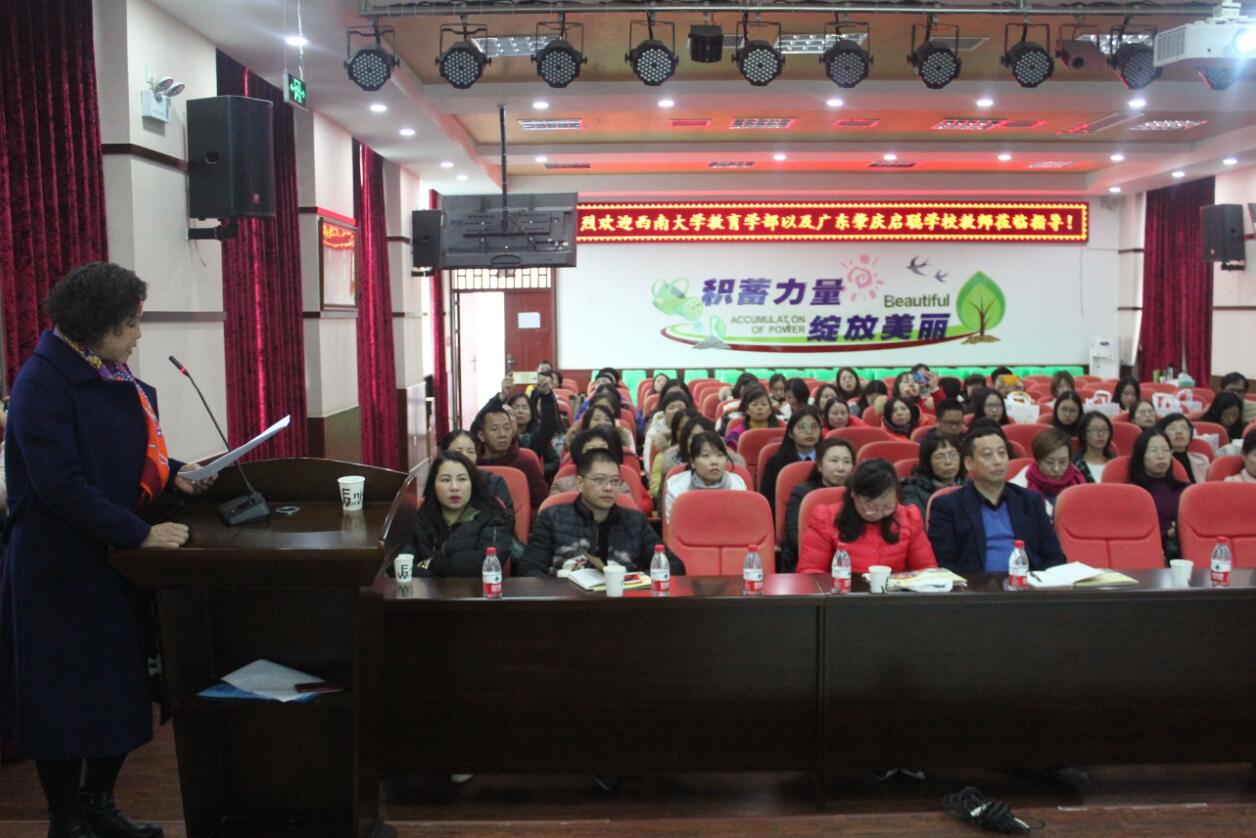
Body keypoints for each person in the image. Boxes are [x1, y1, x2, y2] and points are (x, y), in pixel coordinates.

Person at [1, 262, 218, 838]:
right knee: (62, 702)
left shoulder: (104, 370)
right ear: (99, 324)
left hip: (109, 562)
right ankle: (66, 818)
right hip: (59, 571)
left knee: (116, 695)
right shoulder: (43, 383)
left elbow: (118, 456)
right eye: (131, 324)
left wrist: (174, 473)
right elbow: (61, 485)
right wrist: (138, 533)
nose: (138, 335)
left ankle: (100, 804)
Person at [520, 449, 685, 578]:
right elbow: (528, 570)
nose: (608, 488)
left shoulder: (635, 521)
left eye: (614, 481)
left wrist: (633, 580)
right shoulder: (551, 517)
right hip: (566, 604)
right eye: (600, 480)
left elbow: (674, 566)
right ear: (580, 483)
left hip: (622, 603)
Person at [927, 426, 1067, 573]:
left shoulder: (1030, 501)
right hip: (974, 585)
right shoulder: (947, 506)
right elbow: (944, 563)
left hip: (1028, 583)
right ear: (969, 463)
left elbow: (1054, 556)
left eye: (1002, 453)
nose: (998, 461)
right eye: (988, 455)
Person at [797, 460, 938, 575]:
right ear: (854, 494)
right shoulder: (826, 518)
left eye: (888, 506)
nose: (879, 513)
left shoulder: (909, 517)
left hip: (892, 596)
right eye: (871, 507)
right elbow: (810, 572)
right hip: (842, 595)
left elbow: (927, 571)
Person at [404, 452, 514, 577]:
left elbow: (488, 560)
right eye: (446, 480)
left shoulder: (492, 514)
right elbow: (401, 562)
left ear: (472, 483)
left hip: (477, 588)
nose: (454, 487)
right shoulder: (421, 516)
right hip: (426, 588)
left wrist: (431, 564)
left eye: (462, 479)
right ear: (433, 485)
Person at [780, 438, 855, 573]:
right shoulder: (803, 493)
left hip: (850, 561)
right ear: (819, 465)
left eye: (847, 462)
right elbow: (794, 534)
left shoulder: (857, 495)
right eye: (834, 461)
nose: (841, 468)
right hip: (808, 559)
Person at [1128, 428, 1186, 558]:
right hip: (1144, 552)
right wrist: (1167, 533)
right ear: (1141, 455)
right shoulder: (1133, 493)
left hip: (1184, 552)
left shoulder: (1185, 490)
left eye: (1166, 450)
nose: (1161, 456)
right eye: (1154, 450)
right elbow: (1130, 531)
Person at [664, 431, 747, 521]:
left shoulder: (737, 486)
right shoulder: (677, 490)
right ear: (693, 462)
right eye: (706, 456)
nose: (714, 462)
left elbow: (742, 523)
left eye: (720, 455)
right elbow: (676, 526)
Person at [476, 405, 548, 509]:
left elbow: (542, 506)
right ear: (481, 436)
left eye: (507, 428)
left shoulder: (526, 463)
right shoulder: (473, 463)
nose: (503, 434)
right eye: (494, 429)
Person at [758, 407, 823, 514]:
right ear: (791, 434)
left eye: (814, 427)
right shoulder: (776, 463)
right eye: (802, 427)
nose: (809, 432)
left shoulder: (828, 459)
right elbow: (768, 501)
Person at [439, 429, 515, 522]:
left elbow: (506, 520)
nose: (465, 456)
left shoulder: (494, 482)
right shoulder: (438, 481)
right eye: (458, 452)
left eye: (470, 452)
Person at [1009, 427, 1086, 518]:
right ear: (1037, 460)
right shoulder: (1019, 488)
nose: (1056, 469)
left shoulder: (1078, 479)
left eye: (1063, 462)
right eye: (1049, 462)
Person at [549, 426, 634, 500]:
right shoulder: (561, 487)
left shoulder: (620, 487)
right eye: (592, 450)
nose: (598, 454)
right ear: (578, 454)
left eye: (603, 449)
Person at [901, 431, 964, 515]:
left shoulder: (970, 484)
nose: (948, 462)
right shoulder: (913, 490)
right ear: (928, 462)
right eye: (940, 457)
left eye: (953, 454)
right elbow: (916, 520)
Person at [642, 390, 693, 475]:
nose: (676, 411)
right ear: (664, 412)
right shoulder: (654, 432)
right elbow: (648, 468)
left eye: (681, 408)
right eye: (671, 407)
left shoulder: (695, 430)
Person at [1157, 413, 1208, 484]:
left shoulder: (1202, 459)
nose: (1179, 432)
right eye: (1172, 428)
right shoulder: (1159, 460)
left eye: (1184, 428)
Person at [724, 385, 780, 451]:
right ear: (747, 410)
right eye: (754, 404)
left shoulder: (779, 430)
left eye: (764, 404)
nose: (759, 408)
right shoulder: (738, 433)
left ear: (770, 410)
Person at [1074, 412, 1116, 483]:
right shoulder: (1075, 465)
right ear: (1083, 434)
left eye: (1105, 429)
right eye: (1094, 430)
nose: (1100, 434)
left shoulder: (1116, 463)